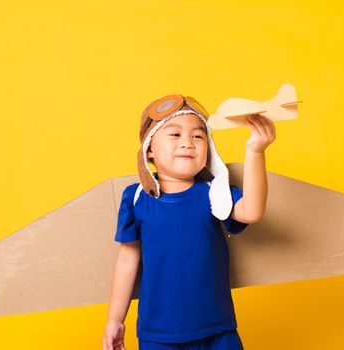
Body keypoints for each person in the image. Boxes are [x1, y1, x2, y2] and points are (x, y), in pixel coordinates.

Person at [103, 94, 275, 350]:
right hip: (158, 335)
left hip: (218, 330)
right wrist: (115, 320)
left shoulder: (215, 193)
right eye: (174, 135)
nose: (188, 143)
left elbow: (251, 212)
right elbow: (128, 260)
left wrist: (255, 151)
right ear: (149, 148)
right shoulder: (135, 197)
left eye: (198, 136)